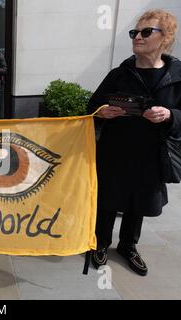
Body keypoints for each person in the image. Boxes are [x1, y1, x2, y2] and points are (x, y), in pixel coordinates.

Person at [87, 10, 181, 276]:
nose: (137, 37)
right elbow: (92, 105)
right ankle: (100, 243)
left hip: (152, 153)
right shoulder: (119, 74)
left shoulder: (177, 76)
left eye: (146, 32)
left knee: (138, 203)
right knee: (107, 200)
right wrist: (102, 111)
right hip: (115, 150)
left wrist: (170, 114)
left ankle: (128, 246)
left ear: (165, 38)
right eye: (134, 33)